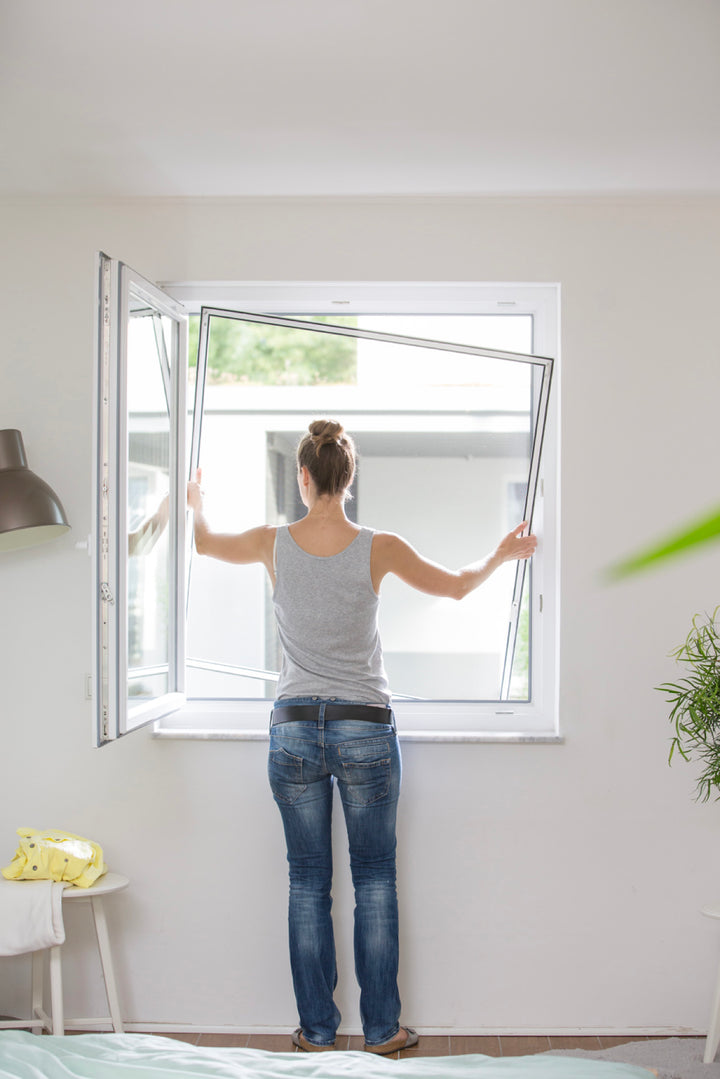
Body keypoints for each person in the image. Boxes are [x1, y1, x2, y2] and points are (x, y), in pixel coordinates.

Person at [187, 418, 536, 1055]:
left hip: (293, 730)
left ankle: (317, 1034)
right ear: (349, 478)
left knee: (306, 881)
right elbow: (457, 587)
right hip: (366, 729)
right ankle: (382, 1032)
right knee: (374, 877)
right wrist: (501, 555)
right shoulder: (380, 546)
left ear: (303, 477)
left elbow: (204, 544)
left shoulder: (272, 542)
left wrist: (195, 503)